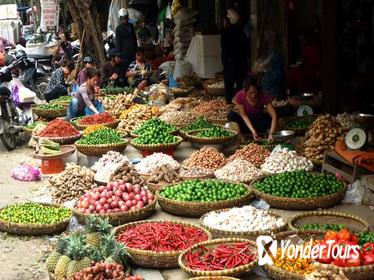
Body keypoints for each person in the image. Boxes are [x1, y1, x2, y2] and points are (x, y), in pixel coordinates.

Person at [228, 77, 278, 141]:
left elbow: (274, 115)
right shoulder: (240, 95)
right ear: (245, 91)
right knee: (231, 115)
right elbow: (243, 115)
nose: (253, 95)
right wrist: (253, 131)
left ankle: (271, 138)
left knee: (274, 116)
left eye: (255, 91)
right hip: (246, 124)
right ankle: (241, 141)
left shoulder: (263, 95)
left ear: (257, 89)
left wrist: (272, 133)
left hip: (259, 121)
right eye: (250, 93)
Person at [221, 9, 248, 103]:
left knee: (229, 83)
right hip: (241, 63)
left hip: (230, 63)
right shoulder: (241, 32)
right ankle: (241, 100)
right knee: (240, 82)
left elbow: (225, 49)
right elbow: (245, 48)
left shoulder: (225, 33)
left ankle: (229, 101)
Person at [287, 29, 321, 94]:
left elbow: (317, 62)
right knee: (292, 72)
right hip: (306, 69)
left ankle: (303, 92)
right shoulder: (304, 48)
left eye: (303, 39)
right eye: (300, 40)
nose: (301, 41)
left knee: (297, 73)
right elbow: (303, 60)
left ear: (307, 38)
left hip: (313, 71)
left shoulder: (314, 47)